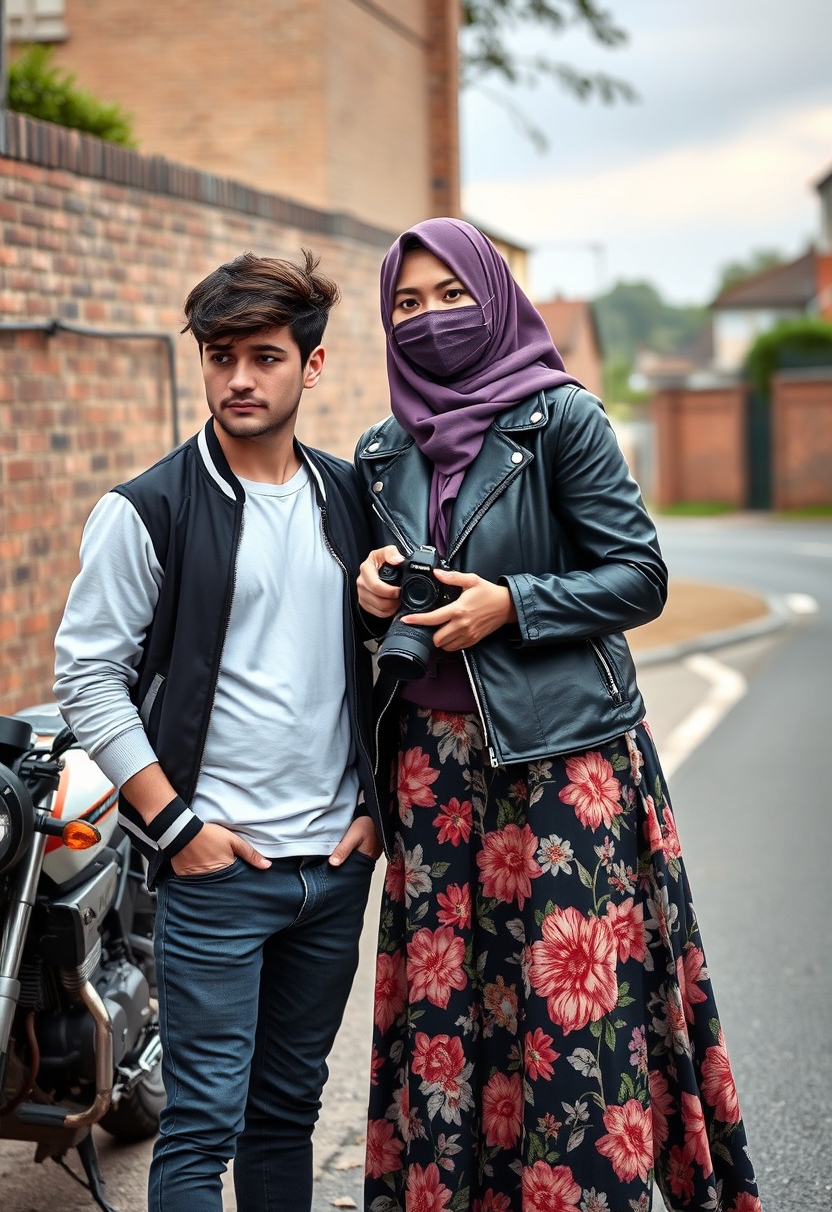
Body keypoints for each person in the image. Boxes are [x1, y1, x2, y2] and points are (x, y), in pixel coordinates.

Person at [355, 219, 760, 1212]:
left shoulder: (561, 418)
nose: (429, 319)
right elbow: (387, 600)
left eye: (450, 294)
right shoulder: (379, 451)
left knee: (570, 1023)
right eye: (406, 303)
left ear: (493, 297)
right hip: (431, 773)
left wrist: (514, 602)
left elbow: (638, 575)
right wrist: (363, 587)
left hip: (561, 765)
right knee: (452, 1031)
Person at [53, 250, 384, 1212]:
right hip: (219, 871)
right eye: (221, 355)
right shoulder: (146, 509)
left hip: (331, 868)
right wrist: (177, 829)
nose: (240, 378)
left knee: (288, 1111)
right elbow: (88, 676)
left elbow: (382, 668)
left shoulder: (350, 500)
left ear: (311, 367)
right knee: (202, 1124)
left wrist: (371, 811)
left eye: (266, 357)